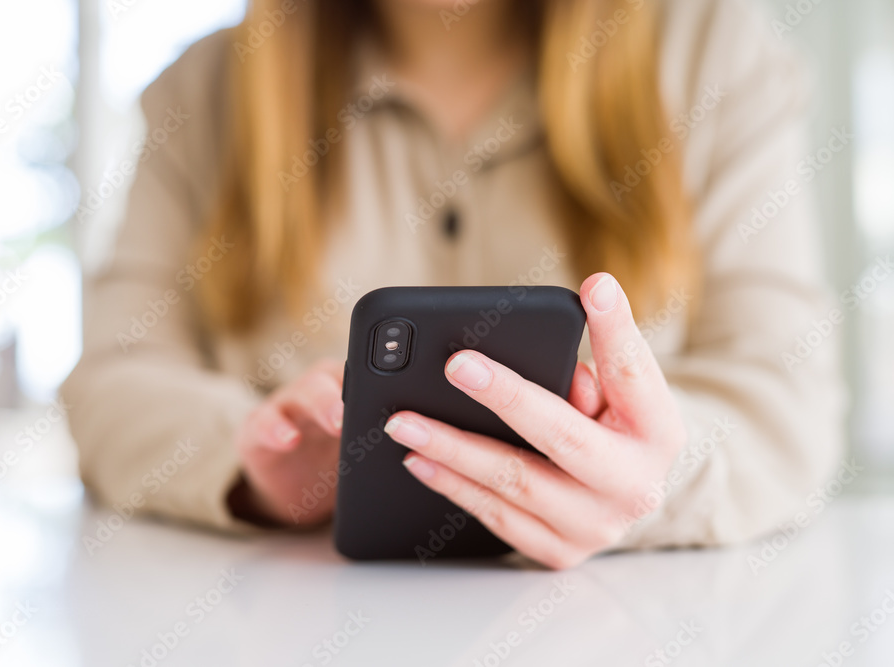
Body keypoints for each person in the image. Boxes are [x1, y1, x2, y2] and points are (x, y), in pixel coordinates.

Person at [62, 0, 846, 569]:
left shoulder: (713, 56)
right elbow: (113, 385)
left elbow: (786, 401)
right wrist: (250, 461)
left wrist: (651, 480)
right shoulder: (206, 91)